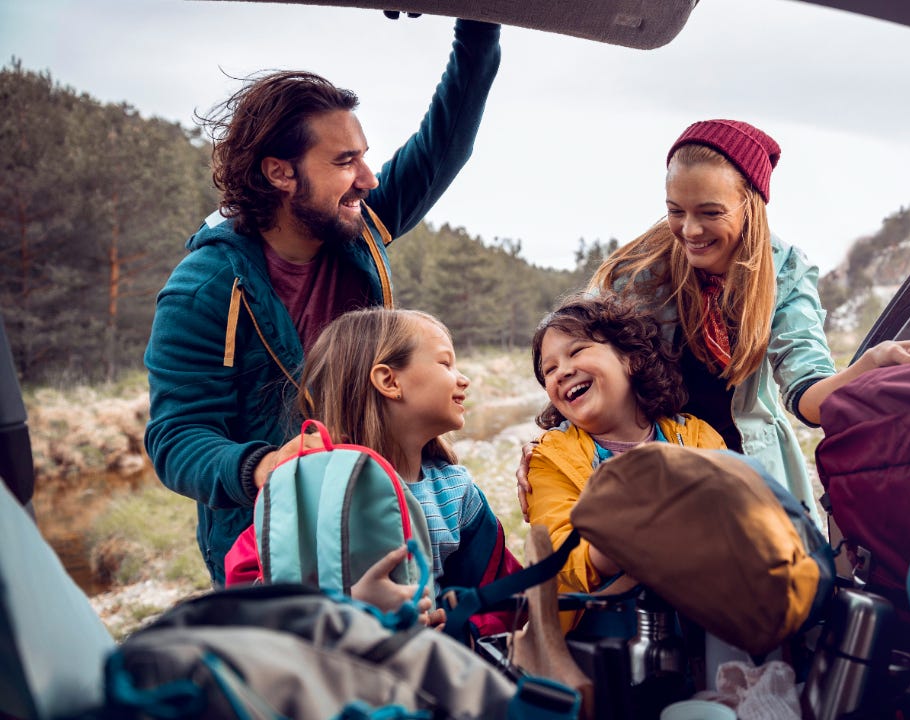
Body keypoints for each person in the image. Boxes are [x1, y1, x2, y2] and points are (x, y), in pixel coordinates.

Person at [144, 18, 502, 584]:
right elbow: (177, 437)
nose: (367, 178)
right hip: (273, 543)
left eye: (363, 156)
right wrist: (264, 466)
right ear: (280, 173)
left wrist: (478, 28)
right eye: (343, 162)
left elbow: (445, 145)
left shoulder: (358, 226)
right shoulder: (204, 288)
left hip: (383, 510)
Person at [518, 119, 910, 527]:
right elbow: (581, 362)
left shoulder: (787, 272)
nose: (690, 231)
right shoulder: (638, 271)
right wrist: (547, 454)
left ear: (750, 205)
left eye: (710, 212)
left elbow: (808, 397)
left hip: (748, 469)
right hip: (654, 463)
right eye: (676, 210)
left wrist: (866, 368)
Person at [224, 308, 521, 631]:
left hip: (431, 670)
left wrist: (460, 624)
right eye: (445, 363)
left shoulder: (453, 491)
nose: (463, 378)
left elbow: (505, 595)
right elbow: (247, 597)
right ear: (389, 380)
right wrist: (347, 606)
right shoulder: (310, 489)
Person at [525, 294, 725, 605]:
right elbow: (558, 551)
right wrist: (620, 537)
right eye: (549, 370)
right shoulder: (549, 459)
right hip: (603, 627)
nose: (561, 372)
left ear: (630, 359)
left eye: (576, 351)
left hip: (707, 610)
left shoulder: (696, 436)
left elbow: (730, 512)